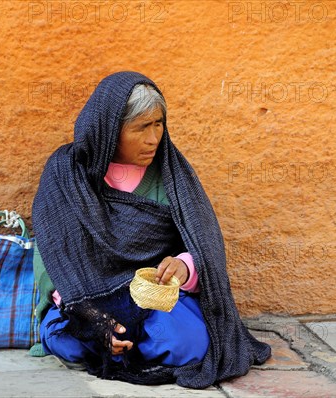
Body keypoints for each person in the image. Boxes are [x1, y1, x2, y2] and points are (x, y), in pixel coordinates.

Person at [32, 71, 270, 388]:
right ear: (109, 131)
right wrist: (93, 318)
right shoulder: (67, 171)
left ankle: (121, 349)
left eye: (158, 124)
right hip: (84, 298)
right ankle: (113, 343)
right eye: (141, 127)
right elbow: (53, 251)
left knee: (190, 344)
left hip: (151, 297)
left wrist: (184, 267)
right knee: (69, 341)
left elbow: (204, 247)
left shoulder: (171, 174)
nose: (153, 138)